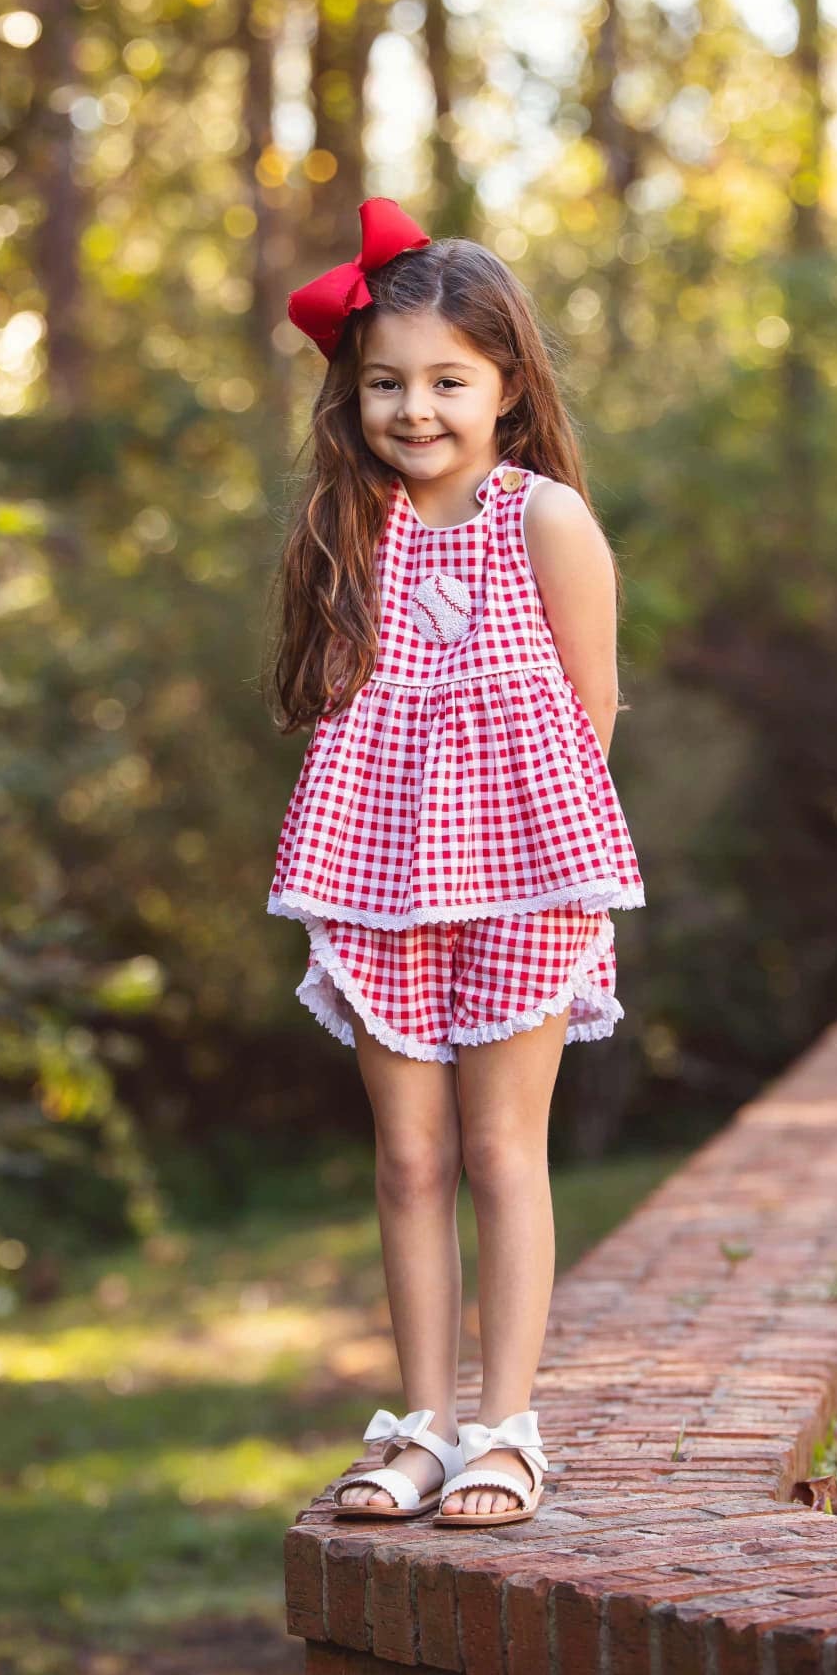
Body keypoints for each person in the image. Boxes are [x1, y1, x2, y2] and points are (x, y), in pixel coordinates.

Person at [264, 197, 644, 1528]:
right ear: (350, 393)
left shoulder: (545, 522)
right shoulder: (345, 530)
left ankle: (504, 1426)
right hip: (380, 883)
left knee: (498, 1151)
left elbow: (588, 714)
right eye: (384, 382)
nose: (413, 408)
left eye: (445, 381)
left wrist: (510, 842)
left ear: (505, 388)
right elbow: (343, 702)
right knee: (407, 1159)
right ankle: (418, 1423)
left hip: (527, 881)